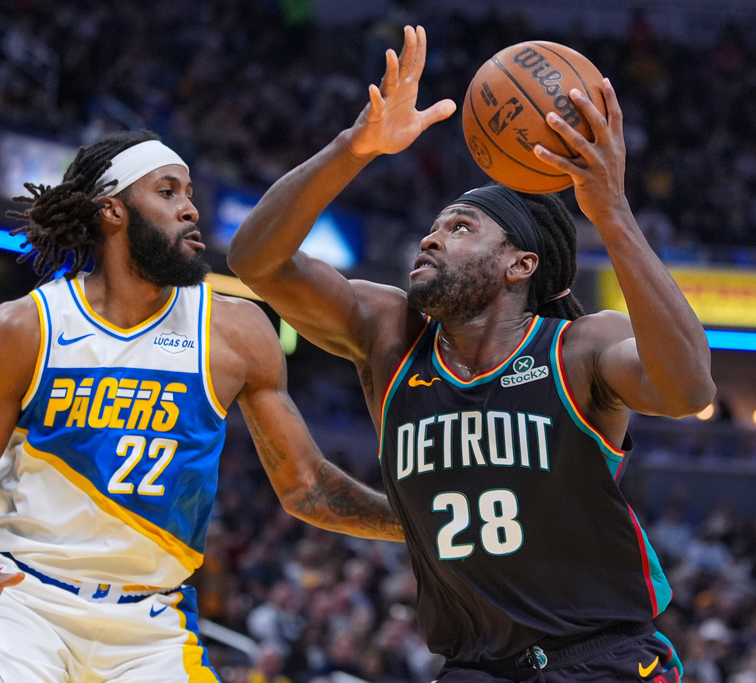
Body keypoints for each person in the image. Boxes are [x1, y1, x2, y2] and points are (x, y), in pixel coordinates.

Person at [227, 25, 715, 683]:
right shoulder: (391, 335)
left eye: (459, 227)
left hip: (600, 660)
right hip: (472, 667)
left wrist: (613, 213)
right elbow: (255, 260)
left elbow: (689, 389)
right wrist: (355, 146)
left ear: (520, 264)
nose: (430, 239)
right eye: (432, 228)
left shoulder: (579, 348)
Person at [0, 130, 402, 682]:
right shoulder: (25, 327)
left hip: (151, 625)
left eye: (189, 193)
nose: (190, 209)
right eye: (167, 191)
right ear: (112, 210)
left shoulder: (234, 331)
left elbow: (306, 486)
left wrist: (421, 526)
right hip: (24, 603)